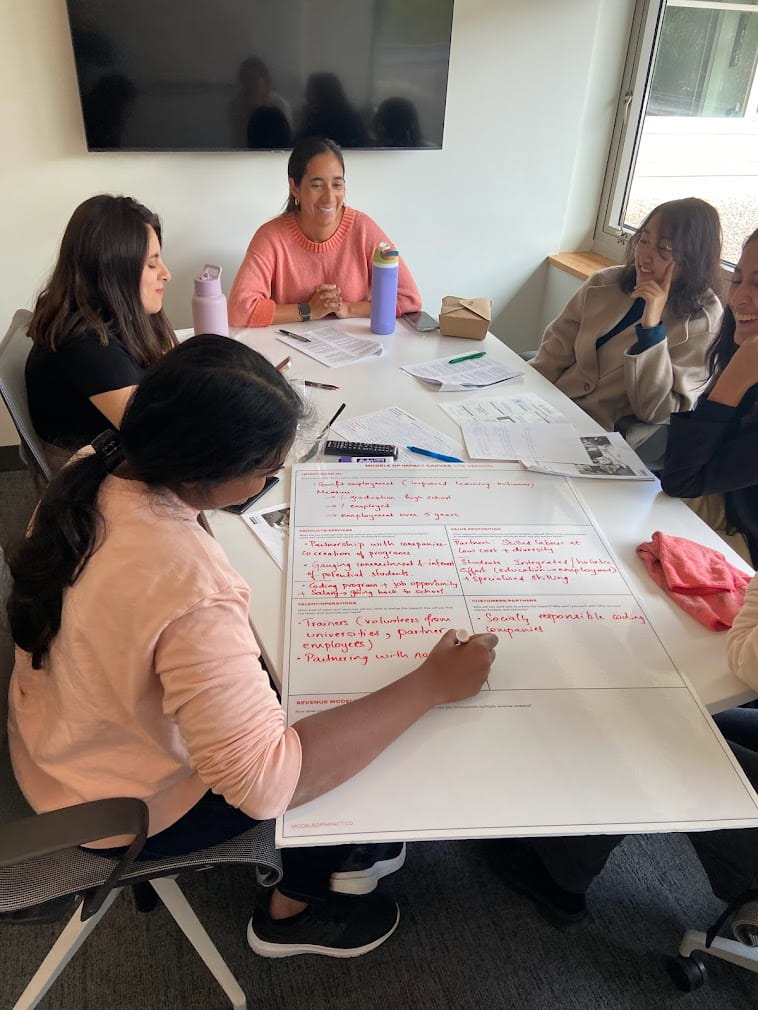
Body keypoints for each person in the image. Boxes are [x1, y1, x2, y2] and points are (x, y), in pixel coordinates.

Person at [6, 334, 497, 958]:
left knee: (289, 684)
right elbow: (267, 785)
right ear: (212, 472)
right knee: (337, 730)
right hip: (113, 812)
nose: (269, 482)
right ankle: (294, 910)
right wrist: (431, 684)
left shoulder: (90, 465)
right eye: (267, 472)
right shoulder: (188, 582)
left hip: (54, 744)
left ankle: (348, 857)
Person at [531, 198, 723, 435]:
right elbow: (554, 353)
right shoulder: (605, 283)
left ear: (694, 257)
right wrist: (519, 394)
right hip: (548, 409)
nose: (645, 255)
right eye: (643, 240)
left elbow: (658, 411)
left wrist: (651, 329)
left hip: (600, 434)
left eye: (664, 249)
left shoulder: (703, 322)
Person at [25, 195, 175, 464]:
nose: (166, 273)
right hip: (96, 473)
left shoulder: (109, 315)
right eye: (152, 264)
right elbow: (160, 438)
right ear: (115, 273)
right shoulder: (88, 348)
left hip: (120, 446)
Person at [228, 136, 421, 328]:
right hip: (289, 350)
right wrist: (309, 310)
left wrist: (349, 309)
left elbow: (409, 300)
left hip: (355, 350)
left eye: (337, 184)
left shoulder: (363, 229)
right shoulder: (270, 237)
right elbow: (239, 310)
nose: (329, 197)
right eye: (317, 185)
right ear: (295, 187)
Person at [661, 229, 758, 566]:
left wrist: (735, 378)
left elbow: (682, 479)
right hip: (725, 507)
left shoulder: (742, 357)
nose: (740, 297)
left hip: (746, 547)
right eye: (737, 279)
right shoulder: (742, 347)